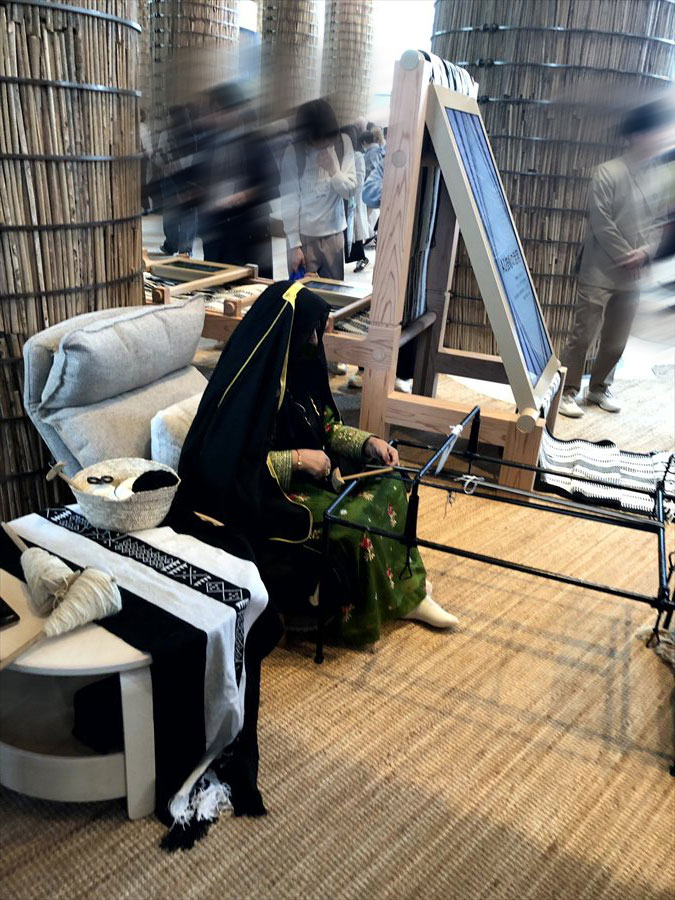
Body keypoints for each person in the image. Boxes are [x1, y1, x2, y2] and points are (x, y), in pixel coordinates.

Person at [177, 281, 459, 648]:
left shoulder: (302, 374)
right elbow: (231, 464)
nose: (314, 341)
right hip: (267, 495)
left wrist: (369, 444)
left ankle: (408, 589)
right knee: (350, 525)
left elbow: (328, 429)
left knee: (391, 485)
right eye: (308, 332)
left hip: (313, 479)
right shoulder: (250, 391)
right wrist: (297, 460)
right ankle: (392, 602)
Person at [559, 101, 670, 418]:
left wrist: (645, 252)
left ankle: (599, 388)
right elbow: (601, 221)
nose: (658, 137)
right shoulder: (607, 172)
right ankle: (567, 391)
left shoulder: (658, 177)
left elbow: (660, 223)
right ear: (634, 136)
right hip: (600, 269)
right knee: (583, 335)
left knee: (616, 340)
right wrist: (627, 255)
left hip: (635, 273)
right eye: (652, 132)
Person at [198, 83, 278, 277]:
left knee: (248, 287)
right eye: (214, 111)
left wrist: (244, 195)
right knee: (217, 286)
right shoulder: (209, 143)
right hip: (217, 234)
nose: (216, 116)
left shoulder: (255, 141)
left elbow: (272, 182)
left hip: (248, 233)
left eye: (220, 110)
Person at [281, 99, 356, 281]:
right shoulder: (294, 152)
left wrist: (334, 171)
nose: (323, 143)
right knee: (302, 293)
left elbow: (350, 192)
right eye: (317, 139)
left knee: (334, 292)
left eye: (327, 137)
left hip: (334, 236)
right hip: (304, 239)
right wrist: (294, 245)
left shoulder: (343, 143)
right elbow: (289, 201)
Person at [156, 105, 197, 255]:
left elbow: (159, 155)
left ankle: (176, 246)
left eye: (168, 116)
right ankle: (181, 248)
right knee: (182, 215)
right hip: (181, 179)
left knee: (175, 214)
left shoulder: (168, 134)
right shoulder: (190, 134)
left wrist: (169, 167)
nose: (166, 118)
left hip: (176, 179)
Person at [341, 125, 370, 272]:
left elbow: (359, 180)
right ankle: (358, 257)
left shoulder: (358, 156)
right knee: (348, 234)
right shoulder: (342, 156)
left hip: (353, 200)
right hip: (344, 198)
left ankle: (361, 258)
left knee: (354, 234)